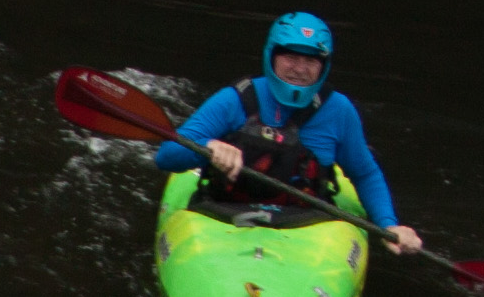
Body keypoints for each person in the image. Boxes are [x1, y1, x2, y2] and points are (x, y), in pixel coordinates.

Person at [151, 13, 422, 258]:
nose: (300, 69)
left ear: (324, 65)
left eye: (310, 60)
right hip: (222, 214)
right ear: (272, 56)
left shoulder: (338, 110)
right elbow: (166, 156)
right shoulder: (235, 99)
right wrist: (208, 147)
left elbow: (364, 173)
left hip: (306, 223)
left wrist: (389, 224)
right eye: (291, 58)